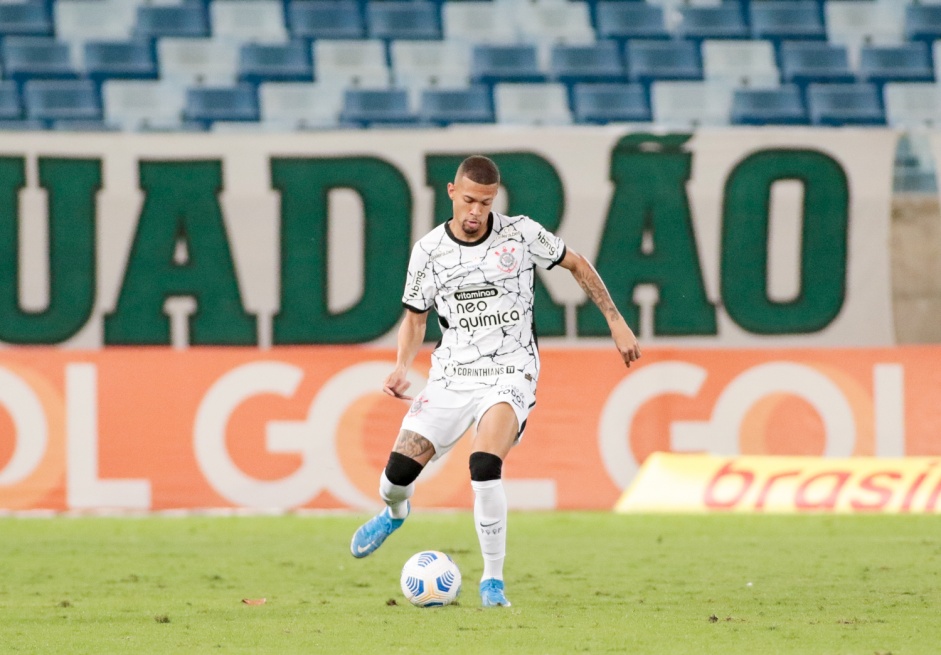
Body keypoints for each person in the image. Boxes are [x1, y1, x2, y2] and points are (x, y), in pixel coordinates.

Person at [350, 155, 640, 607]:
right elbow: (415, 317)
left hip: (511, 371)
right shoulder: (428, 251)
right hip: (452, 376)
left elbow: (578, 264)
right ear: (451, 192)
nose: (475, 212)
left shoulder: (521, 234)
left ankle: (492, 582)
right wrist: (403, 365)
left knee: (484, 466)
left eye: (485, 203)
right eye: (468, 200)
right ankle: (395, 512)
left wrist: (616, 321)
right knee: (395, 477)